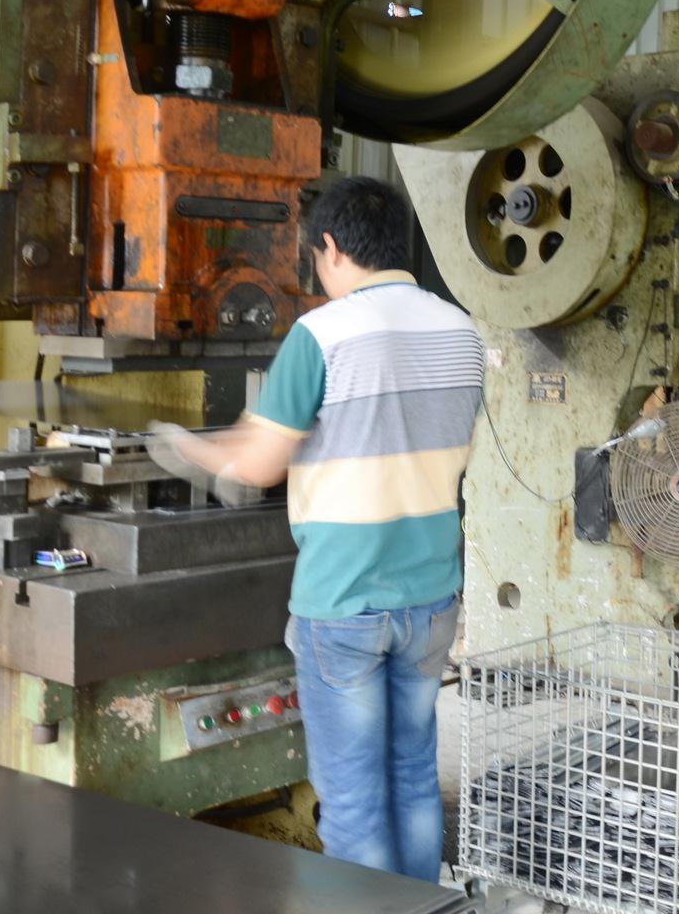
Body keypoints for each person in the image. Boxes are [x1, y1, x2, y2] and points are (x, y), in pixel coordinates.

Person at [151, 176, 482, 881]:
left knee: (354, 801)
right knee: (412, 779)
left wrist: (185, 446)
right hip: (431, 598)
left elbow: (258, 467)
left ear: (329, 247)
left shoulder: (322, 334)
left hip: (345, 600)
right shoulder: (461, 330)